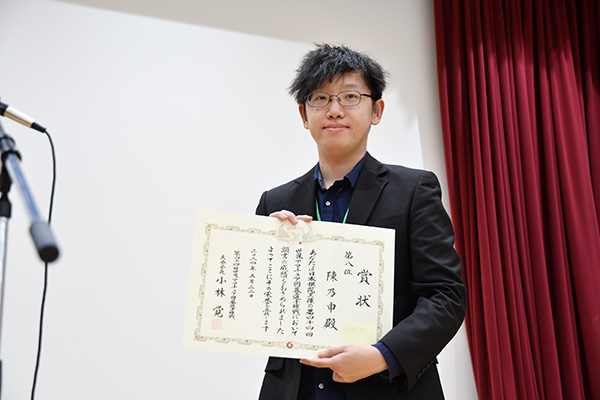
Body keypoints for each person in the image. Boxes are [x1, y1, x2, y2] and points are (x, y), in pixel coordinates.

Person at [256, 44, 466, 400]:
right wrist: (269, 253)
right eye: (320, 98)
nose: (334, 110)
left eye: (350, 97)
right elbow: (259, 306)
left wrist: (383, 356)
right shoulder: (275, 204)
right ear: (304, 115)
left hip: (389, 388)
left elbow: (445, 296)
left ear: (376, 111)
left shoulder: (414, 190)